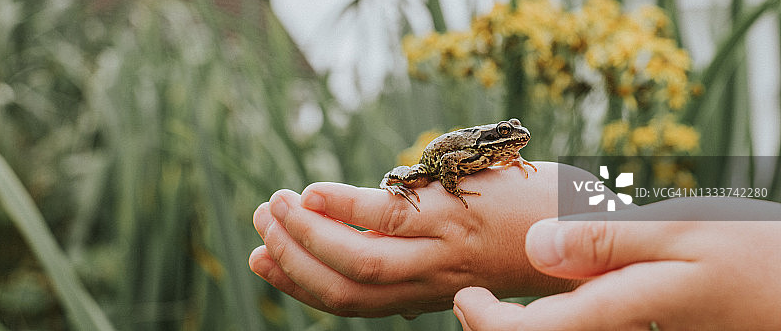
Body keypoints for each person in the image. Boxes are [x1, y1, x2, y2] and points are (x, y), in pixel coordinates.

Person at [249, 161, 781, 330]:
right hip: (438, 165)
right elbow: (450, 169)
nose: (514, 148)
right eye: (506, 142)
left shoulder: (508, 156)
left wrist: (576, 221)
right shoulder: (470, 157)